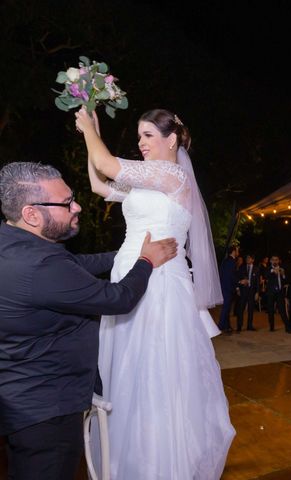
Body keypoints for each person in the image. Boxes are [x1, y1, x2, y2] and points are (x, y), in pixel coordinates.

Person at [76, 107, 235, 479]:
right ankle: (130, 456)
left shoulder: (171, 174)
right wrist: (92, 137)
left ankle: (160, 464)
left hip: (158, 282)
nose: (140, 142)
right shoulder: (149, 180)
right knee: (127, 370)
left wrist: (87, 128)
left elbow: (109, 165)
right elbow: (101, 184)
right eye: (139, 135)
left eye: (148, 135)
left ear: (171, 139)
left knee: (154, 372)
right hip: (129, 275)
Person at [0, 162, 177, 480]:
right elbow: (119, 298)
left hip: (20, 402)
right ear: (32, 214)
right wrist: (146, 261)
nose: (76, 206)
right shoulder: (40, 266)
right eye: (66, 203)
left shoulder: (14, 242)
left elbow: (74, 263)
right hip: (47, 413)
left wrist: (127, 253)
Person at [265, 254, 291, 332]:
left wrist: (283, 275)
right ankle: (272, 327)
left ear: (278, 261)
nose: (275, 261)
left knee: (282, 310)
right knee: (270, 310)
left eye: (276, 259)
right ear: (271, 261)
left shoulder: (282, 269)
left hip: (280, 293)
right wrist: (273, 271)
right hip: (271, 293)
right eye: (273, 259)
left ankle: (288, 328)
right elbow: (266, 275)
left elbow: (286, 280)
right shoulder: (268, 269)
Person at [219, 245, 240, 333]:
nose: (238, 252)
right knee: (226, 307)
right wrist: (238, 283)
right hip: (228, 288)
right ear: (233, 251)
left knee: (227, 308)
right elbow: (232, 276)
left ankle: (227, 326)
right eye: (237, 250)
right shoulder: (232, 262)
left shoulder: (226, 261)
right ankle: (220, 326)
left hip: (224, 287)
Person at [237, 253, 259, 331]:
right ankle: (239, 326)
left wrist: (257, 292)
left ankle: (249, 326)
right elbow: (238, 278)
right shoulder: (242, 268)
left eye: (249, 258)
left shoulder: (256, 269)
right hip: (243, 291)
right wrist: (238, 288)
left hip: (252, 291)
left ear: (253, 260)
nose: (247, 259)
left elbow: (257, 282)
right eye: (247, 258)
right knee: (241, 309)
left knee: (251, 309)